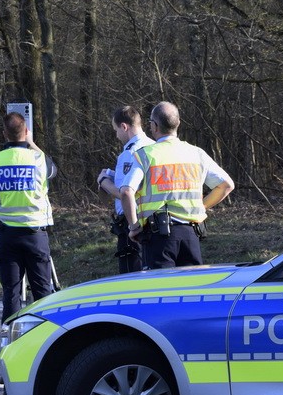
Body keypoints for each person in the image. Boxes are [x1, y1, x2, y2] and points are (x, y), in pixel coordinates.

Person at [121, 101, 234, 268]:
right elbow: (226, 185)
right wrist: (201, 207)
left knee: (161, 291)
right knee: (191, 291)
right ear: (178, 123)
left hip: (158, 238)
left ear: (154, 126)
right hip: (191, 236)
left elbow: (126, 192)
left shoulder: (144, 156)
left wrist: (134, 226)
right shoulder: (197, 154)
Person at [0, 112, 57, 323]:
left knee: (11, 292)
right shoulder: (40, 159)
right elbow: (53, 171)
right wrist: (32, 143)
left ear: (4, 133)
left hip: (7, 235)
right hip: (36, 234)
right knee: (43, 291)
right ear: (26, 132)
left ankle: (10, 340)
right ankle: (44, 337)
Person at [97, 106, 154, 273]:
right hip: (151, 219)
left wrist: (103, 181)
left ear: (124, 127)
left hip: (131, 222)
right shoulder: (153, 146)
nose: (116, 135)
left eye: (116, 130)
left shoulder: (130, 153)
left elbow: (124, 192)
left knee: (131, 277)